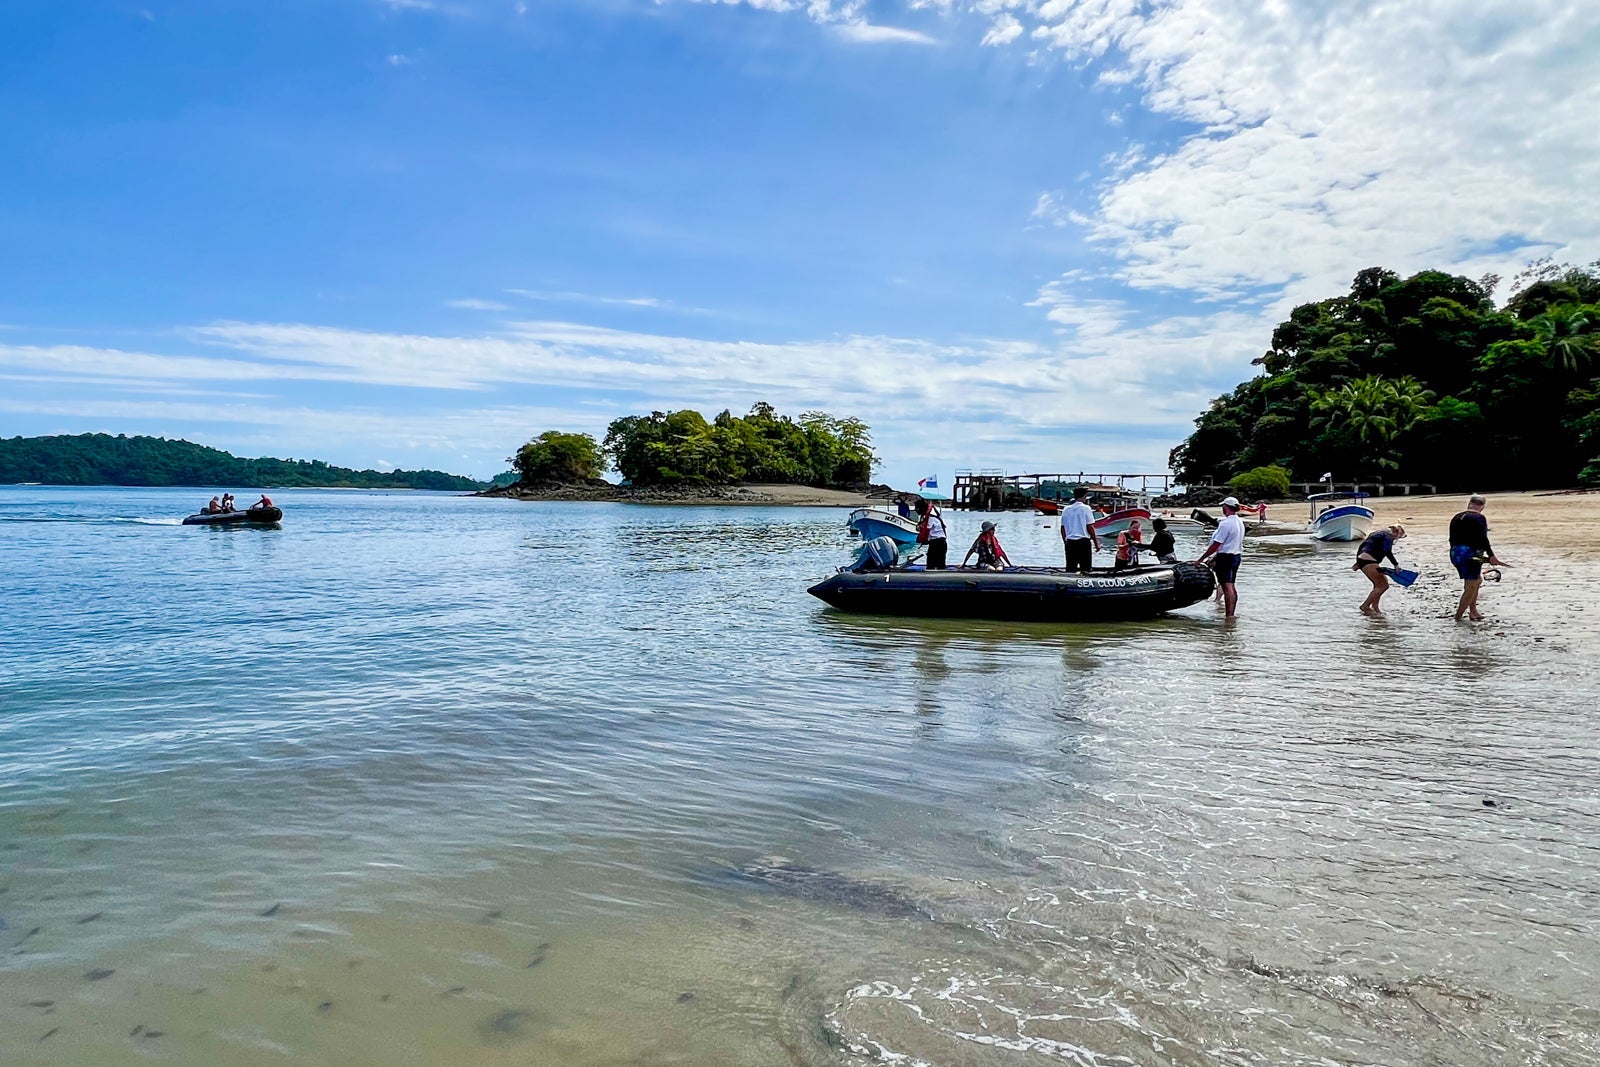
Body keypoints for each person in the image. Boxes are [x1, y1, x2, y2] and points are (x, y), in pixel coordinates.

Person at [1449, 494, 1507, 622]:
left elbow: (1451, 538)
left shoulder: (1457, 517)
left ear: (1469, 503)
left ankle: (1473, 611)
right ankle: (1458, 617)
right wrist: (1491, 556)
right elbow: (1483, 538)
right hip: (1471, 553)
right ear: (1482, 506)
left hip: (1455, 552)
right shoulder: (1479, 518)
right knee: (1472, 585)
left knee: (1475, 581)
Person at [1196, 496, 1246, 618]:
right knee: (1231, 585)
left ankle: (1229, 615)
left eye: (1223, 506)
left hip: (1226, 557)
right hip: (1236, 556)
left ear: (1226, 507)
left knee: (1226, 585)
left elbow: (1216, 544)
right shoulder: (1239, 522)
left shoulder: (1226, 524)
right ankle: (1231, 614)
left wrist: (1201, 559)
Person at [1354, 524, 1406, 616]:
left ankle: (1375, 608)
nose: (1395, 540)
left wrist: (1358, 562)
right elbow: (1387, 550)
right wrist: (1396, 565)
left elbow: (1364, 545)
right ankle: (1365, 606)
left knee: (1378, 585)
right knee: (1383, 585)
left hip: (1364, 560)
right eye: (1398, 538)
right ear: (1397, 533)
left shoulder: (1378, 533)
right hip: (1368, 561)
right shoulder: (1389, 536)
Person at [1059, 487, 1100, 573]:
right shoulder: (1086, 508)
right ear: (1084, 496)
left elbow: (1062, 528)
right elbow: (1090, 527)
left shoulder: (1066, 509)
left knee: (1070, 568)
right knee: (1085, 568)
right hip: (1083, 542)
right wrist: (1096, 543)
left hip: (1070, 542)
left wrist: (1065, 542)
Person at [915, 498, 949, 570]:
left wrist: (919, 526)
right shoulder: (934, 516)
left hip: (937, 543)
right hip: (940, 542)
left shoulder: (930, 518)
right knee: (940, 563)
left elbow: (925, 529)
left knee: (931, 564)